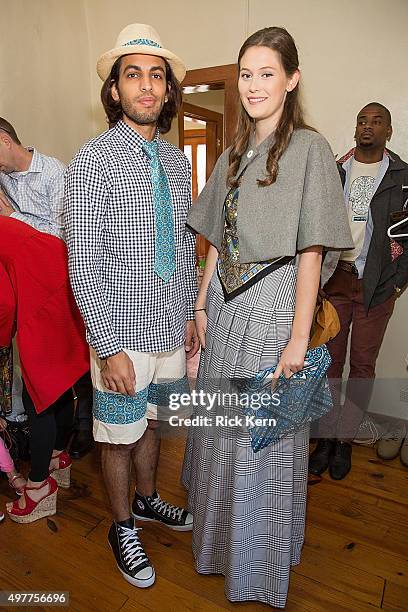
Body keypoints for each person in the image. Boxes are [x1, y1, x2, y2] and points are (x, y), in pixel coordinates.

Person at [181, 26, 353, 608]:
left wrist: (298, 339)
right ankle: (215, 551)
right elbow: (215, 242)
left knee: (261, 449)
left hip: (276, 311)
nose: (254, 86)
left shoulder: (310, 150)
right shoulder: (232, 153)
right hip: (225, 313)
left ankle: (255, 574)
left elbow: (311, 252)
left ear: (292, 79)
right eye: (246, 74)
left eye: (267, 74)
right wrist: (200, 309)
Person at [64, 23, 198, 589]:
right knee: (116, 438)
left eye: (156, 74)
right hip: (119, 332)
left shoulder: (176, 164)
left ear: (167, 91)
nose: (146, 85)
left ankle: (148, 501)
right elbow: (82, 264)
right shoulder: (91, 160)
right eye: (133, 74)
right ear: (115, 90)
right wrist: (107, 346)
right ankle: (123, 526)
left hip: (170, 327)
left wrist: (190, 311)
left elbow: (185, 243)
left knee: (153, 428)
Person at [309, 103, 408, 480]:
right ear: (355, 130)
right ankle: (326, 439)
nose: (367, 127)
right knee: (330, 365)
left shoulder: (402, 177)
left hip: (376, 286)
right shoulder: (336, 170)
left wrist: (395, 283)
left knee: (362, 366)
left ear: (389, 131)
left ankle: (345, 440)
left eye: (376, 121)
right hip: (336, 281)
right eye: (362, 121)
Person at [0, 117, 94, 458]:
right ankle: (59, 449)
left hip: (65, 275)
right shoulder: (2, 177)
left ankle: (84, 430)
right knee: (50, 370)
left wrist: (15, 219)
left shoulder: (55, 173)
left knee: (76, 358)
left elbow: (63, 233)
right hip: (32, 283)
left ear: (5, 140)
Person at [0, 217, 89, 522]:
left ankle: (38, 487)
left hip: (41, 294)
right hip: (62, 278)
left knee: (36, 399)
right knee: (61, 382)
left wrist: (2, 342)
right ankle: (57, 458)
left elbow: (4, 304)